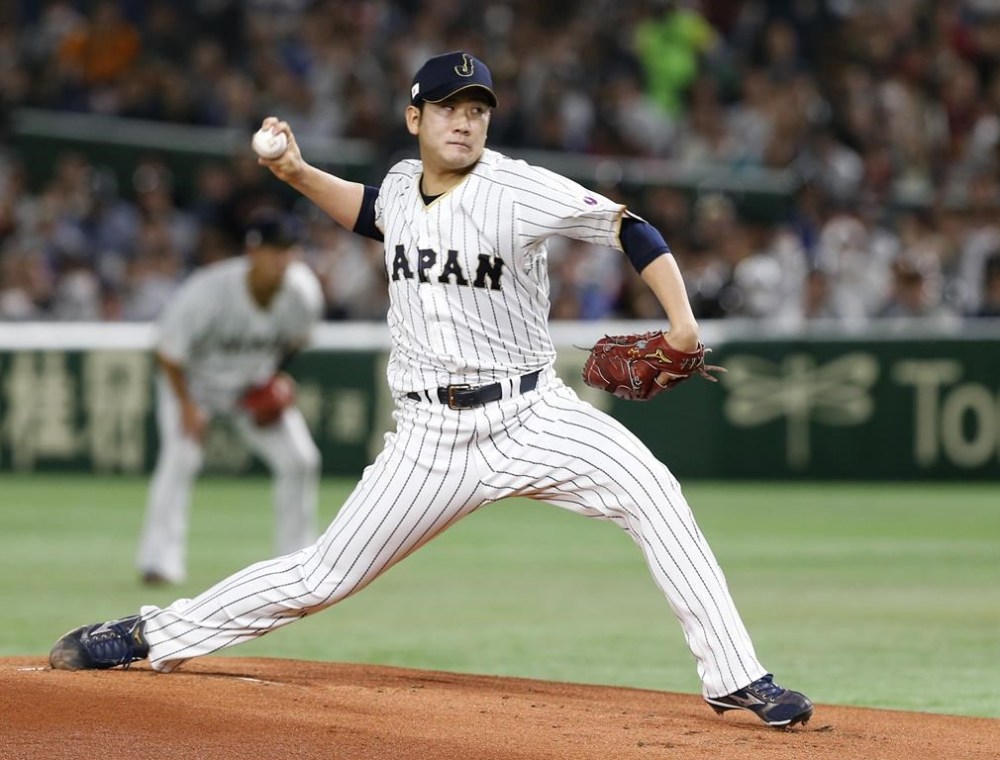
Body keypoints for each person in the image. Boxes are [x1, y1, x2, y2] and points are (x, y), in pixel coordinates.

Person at [50, 52, 813, 729]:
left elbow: (631, 229)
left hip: (531, 414)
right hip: (429, 439)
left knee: (653, 493)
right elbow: (372, 213)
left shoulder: (517, 189)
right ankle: (153, 634)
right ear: (415, 117)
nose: (465, 121)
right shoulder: (403, 187)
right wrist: (295, 174)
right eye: (449, 107)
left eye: (477, 109)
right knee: (320, 576)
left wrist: (680, 324)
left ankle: (737, 678)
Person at [135, 211, 324, 585]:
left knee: (301, 459)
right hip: (194, 386)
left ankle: (298, 560)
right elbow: (168, 353)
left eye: (289, 250)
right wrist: (187, 407)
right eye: (274, 250)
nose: (282, 259)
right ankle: (160, 561)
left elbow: (298, 339)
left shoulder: (302, 292)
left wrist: (277, 376)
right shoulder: (210, 290)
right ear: (253, 252)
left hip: (248, 388)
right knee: (180, 459)